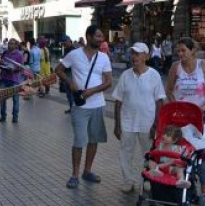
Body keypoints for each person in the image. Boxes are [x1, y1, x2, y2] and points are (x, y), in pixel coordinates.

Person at [55, 25, 113, 189]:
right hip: (80, 106)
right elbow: (58, 70)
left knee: (94, 140)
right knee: (79, 141)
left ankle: (87, 171)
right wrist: (70, 83)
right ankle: (74, 175)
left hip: (98, 105)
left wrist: (92, 91)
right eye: (98, 36)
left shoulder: (103, 57)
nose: (101, 39)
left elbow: (108, 81)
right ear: (88, 36)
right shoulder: (74, 55)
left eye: (102, 37)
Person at [165, 37, 205, 205]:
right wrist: (174, 104)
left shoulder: (203, 66)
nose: (180, 54)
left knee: (200, 154)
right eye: (178, 51)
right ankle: (177, 181)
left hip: (198, 116)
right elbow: (169, 89)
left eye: (183, 51)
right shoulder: (176, 67)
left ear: (192, 50)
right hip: (180, 116)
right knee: (178, 149)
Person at [112, 42, 166, 193]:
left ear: (146, 56)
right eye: (133, 53)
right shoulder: (125, 75)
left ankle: (148, 179)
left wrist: (156, 125)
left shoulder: (154, 75)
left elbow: (159, 101)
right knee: (125, 152)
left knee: (149, 153)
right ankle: (128, 180)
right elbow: (118, 101)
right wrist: (117, 125)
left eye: (137, 53)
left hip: (147, 122)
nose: (134, 56)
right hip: (127, 121)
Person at [0, 38, 24, 123]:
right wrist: (0, 63)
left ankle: (15, 117)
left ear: (16, 45)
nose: (10, 45)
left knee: (15, 99)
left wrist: (14, 70)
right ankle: (3, 116)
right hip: (3, 78)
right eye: (9, 43)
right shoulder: (5, 53)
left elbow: (21, 68)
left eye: (12, 44)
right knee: (2, 99)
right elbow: (0, 62)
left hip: (14, 80)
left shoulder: (19, 55)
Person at [62, 35, 76, 114]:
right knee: (68, 93)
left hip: (72, 73)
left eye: (65, 42)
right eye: (63, 43)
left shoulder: (74, 50)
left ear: (69, 41)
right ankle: (71, 108)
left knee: (72, 93)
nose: (64, 44)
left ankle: (74, 108)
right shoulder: (66, 50)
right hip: (66, 73)